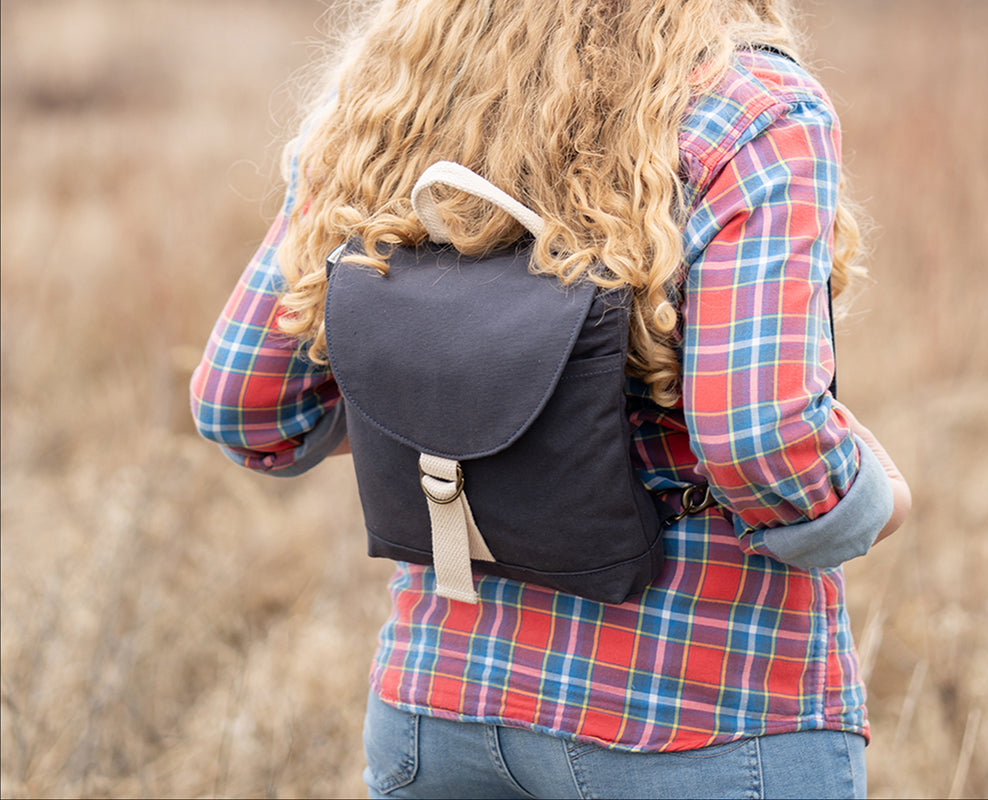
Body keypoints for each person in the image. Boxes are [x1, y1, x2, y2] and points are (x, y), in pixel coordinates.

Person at [190, 0, 911, 797]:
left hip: (443, 704)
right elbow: (759, 441)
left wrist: (465, 414)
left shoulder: (395, 96)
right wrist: (876, 497)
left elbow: (241, 401)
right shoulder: (751, 110)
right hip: (699, 711)